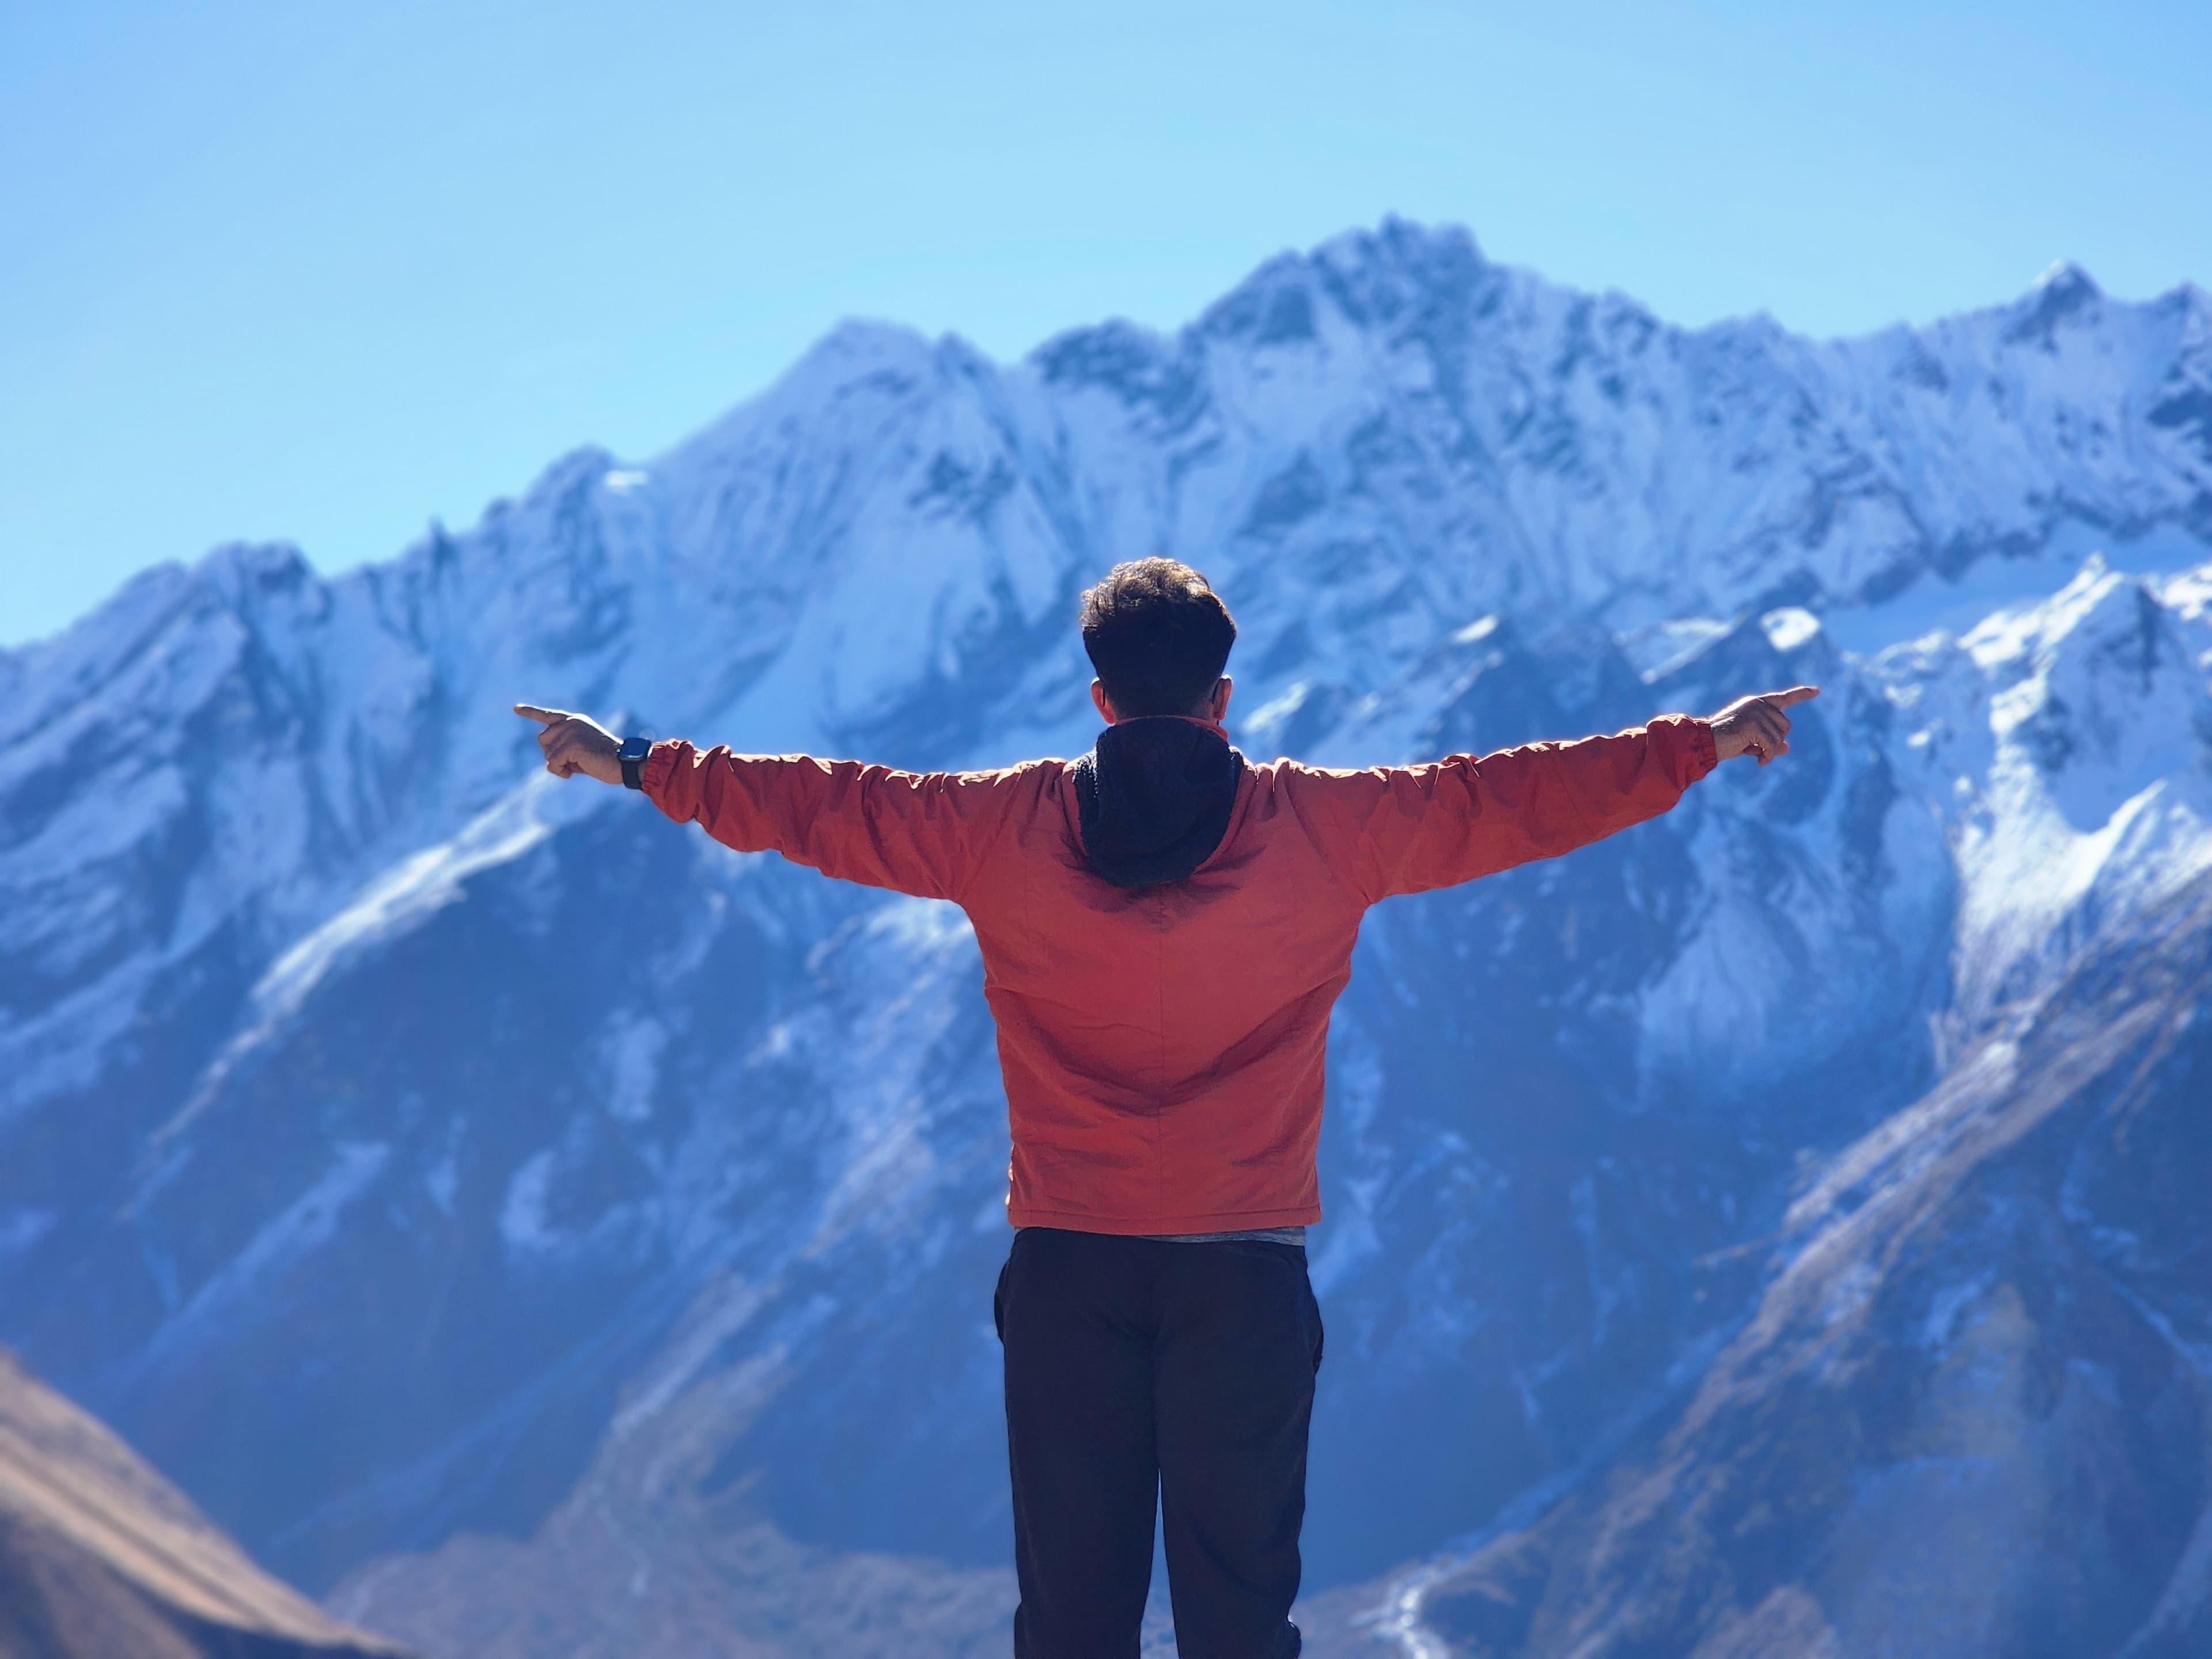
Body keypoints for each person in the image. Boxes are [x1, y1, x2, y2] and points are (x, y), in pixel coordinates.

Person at [517, 557, 1815, 1658]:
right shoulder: (1324, 829)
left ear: (1097, 699)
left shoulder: (996, 827)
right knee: (1241, 1620)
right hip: (1242, 1276)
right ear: (1222, 697)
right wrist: (1699, 743)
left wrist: (634, 761)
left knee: (1072, 1622)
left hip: (1070, 1270)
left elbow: (814, 805)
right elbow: (1511, 800)